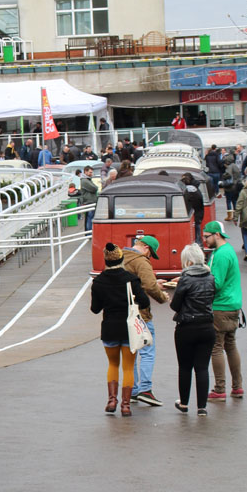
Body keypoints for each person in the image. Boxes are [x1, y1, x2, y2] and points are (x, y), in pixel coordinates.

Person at [90, 242, 149, 417]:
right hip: (129, 330)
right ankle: (125, 405)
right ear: (121, 259)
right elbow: (144, 302)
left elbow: (95, 309)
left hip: (109, 328)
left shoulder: (99, 281)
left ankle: (111, 400)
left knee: (113, 364)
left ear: (106, 261)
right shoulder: (130, 280)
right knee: (129, 368)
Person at [167, 243, 216, 417]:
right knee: (202, 368)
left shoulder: (185, 279)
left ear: (187, 261)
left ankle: (184, 402)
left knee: (185, 367)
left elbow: (175, 305)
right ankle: (202, 407)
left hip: (186, 327)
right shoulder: (210, 277)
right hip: (207, 326)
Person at [123, 234, 170, 408]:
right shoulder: (141, 261)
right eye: (151, 254)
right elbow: (149, 286)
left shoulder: (120, 257)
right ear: (147, 249)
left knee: (131, 352)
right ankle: (146, 390)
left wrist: (153, 282)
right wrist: (162, 297)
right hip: (140, 314)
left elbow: (136, 283)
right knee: (147, 351)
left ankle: (133, 390)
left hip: (121, 313)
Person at [202, 220, 243, 401]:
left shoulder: (220, 255)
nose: (204, 240)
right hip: (234, 305)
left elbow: (216, 283)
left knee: (216, 348)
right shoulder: (229, 251)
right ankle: (237, 386)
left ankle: (219, 389)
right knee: (231, 346)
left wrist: (200, 284)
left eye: (207, 236)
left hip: (220, 306)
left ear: (217, 235)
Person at [181, 173, 205, 243]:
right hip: (198, 212)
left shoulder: (187, 191)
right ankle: (198, 242)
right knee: (197, 229)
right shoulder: (196, 189)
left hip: (194, 212)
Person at [221, 153, 242, 222]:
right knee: (234, 201)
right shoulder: (235, 166)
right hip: (236, 187)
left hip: (230, 187)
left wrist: (223, 176)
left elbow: (228, 175)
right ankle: (236, 214)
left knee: (228, 201)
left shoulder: (229, 167)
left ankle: (229, 215)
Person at [77, 166, 99, 231]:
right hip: (89, 202)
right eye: (90, 172)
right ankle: (89, 233)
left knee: (88, 218)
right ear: (85, 171)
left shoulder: (87, 179)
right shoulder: (84, 180)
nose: (91, 174)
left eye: (91, 172)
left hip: (89, 201)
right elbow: (94, 188)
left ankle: (88, 232)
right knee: (89, 218)